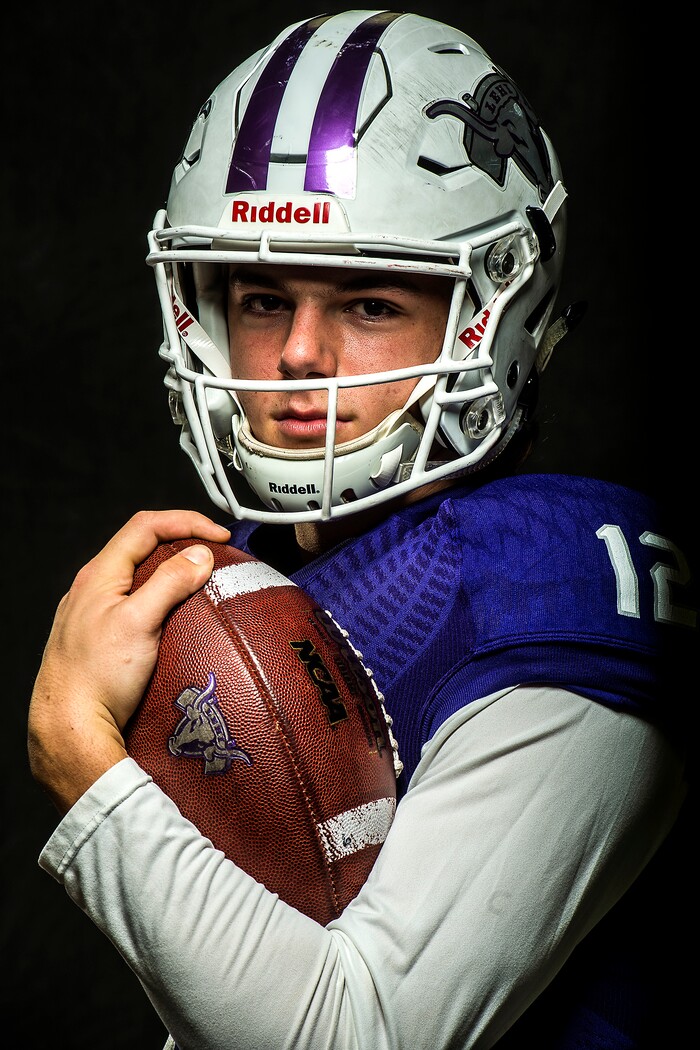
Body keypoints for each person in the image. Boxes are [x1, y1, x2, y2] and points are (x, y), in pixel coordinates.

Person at [27, 10, 694, 1049]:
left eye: (371, 302)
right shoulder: (240, 574)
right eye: (259, 296)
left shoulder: (552, 579)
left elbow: (356, 1033)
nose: (297, 353)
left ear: (494, 313)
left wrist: (82, 757)